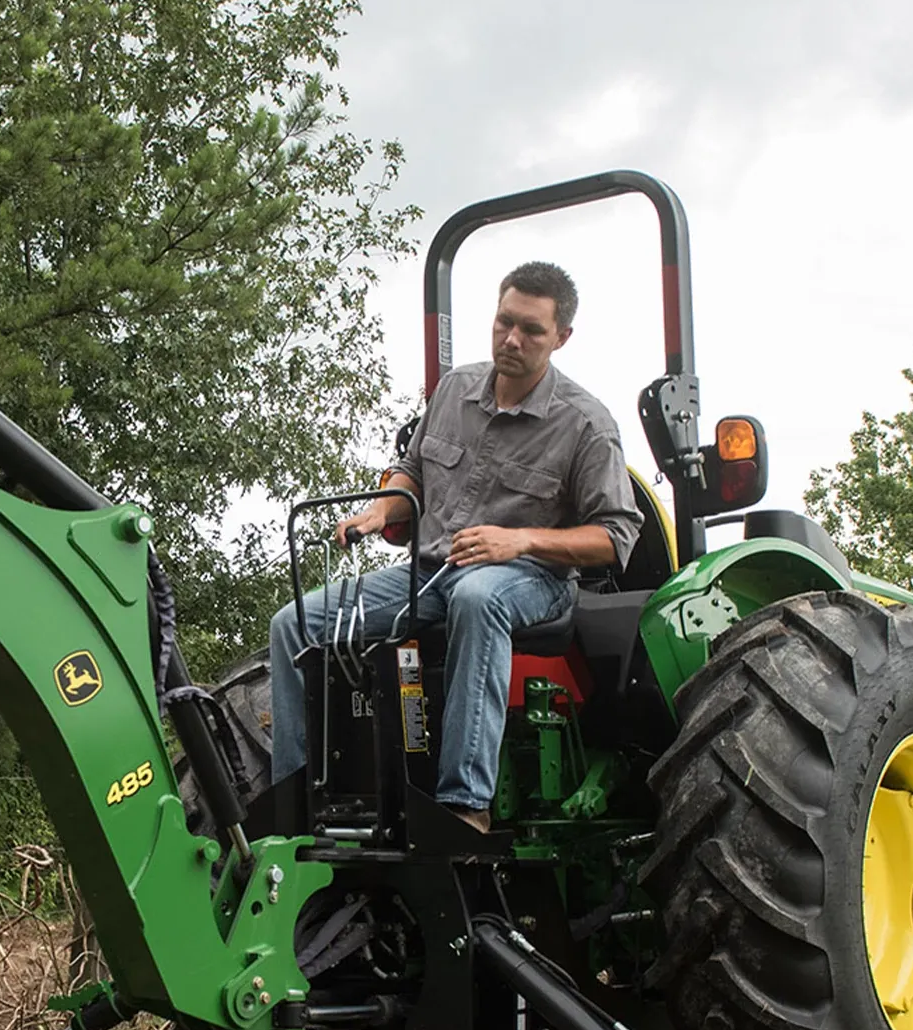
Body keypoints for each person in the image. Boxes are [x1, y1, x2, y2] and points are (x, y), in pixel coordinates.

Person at [268, 261, 643, 831]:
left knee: (479, 596)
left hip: (533, 580)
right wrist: (382, 508)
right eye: (503, 322)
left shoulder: (586, 425)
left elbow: (615, 537)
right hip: (430, 574)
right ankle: (293, 803)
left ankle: (464, 807)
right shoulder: (455, 390)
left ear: (561, 337)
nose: (511, 340)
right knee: (293, 623)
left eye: (532, 331)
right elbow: (411, 471)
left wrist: (518, 540)